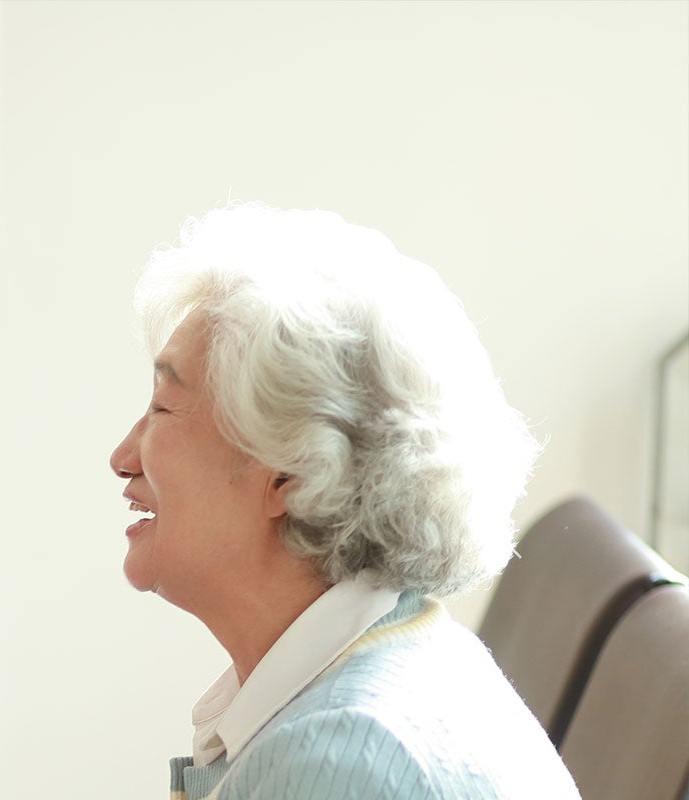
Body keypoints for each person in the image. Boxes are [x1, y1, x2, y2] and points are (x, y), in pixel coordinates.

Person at [108, 205, 579, 799]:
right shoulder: (387, 663)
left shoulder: (340, 765)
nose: (123, 457)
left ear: (291, 474)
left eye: (163, 408)